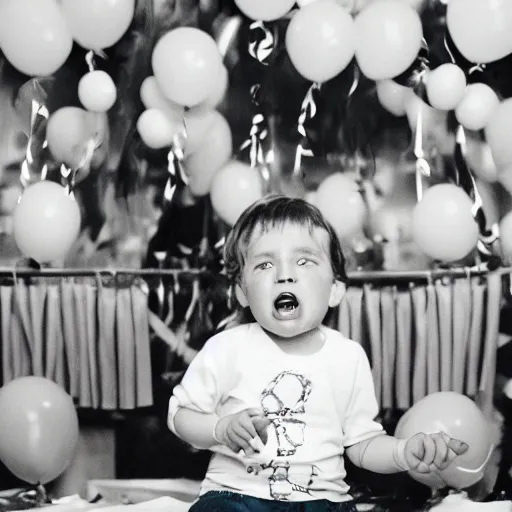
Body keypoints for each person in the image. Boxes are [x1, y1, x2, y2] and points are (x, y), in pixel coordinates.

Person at [167, 195, 469, 511]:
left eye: (304, 261)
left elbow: (361, 444)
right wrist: (220, 428)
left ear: (336, 288)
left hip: (323, 502)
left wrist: (403, 452)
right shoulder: (226, 348)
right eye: (264, 264)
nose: (284, 275)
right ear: (242, 292)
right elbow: (180, 415)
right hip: (236, 496)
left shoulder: (348, 357)